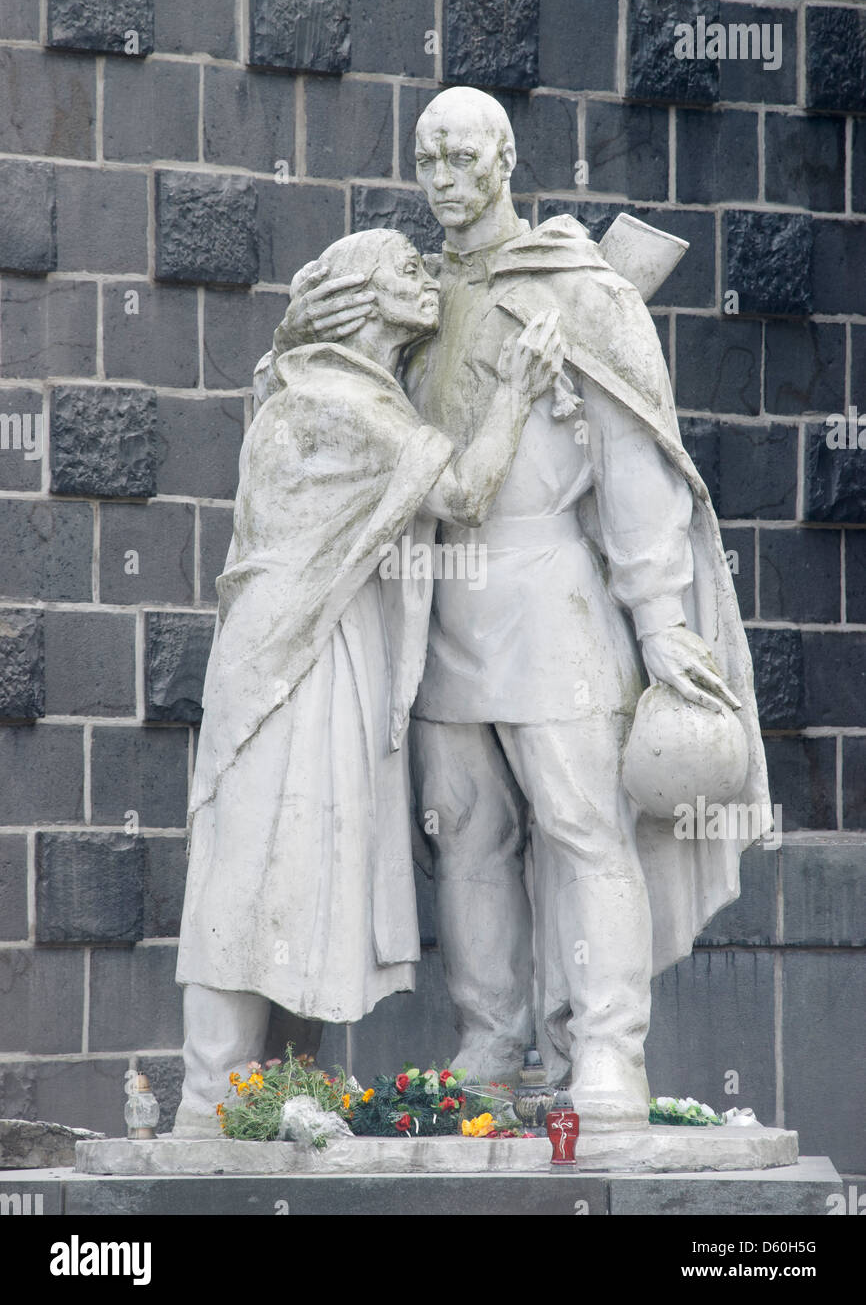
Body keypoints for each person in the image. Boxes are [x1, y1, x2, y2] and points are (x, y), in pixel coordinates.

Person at [273, 88, 771, 1129]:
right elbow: (316, 403)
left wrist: (659, 617)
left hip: (550, 589)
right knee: (464, 830)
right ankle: (489, 1047)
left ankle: (603, 1050)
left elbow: (636, 467)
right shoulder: (403, 290)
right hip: (438, 593)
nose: (443, 181)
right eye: (426, 161)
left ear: (504, 160)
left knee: (583, 822)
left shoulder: (575, 288)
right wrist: (298, 321)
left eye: (461, 158)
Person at [172, 227, 562, 1136]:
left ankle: (263, 1101)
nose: (425, 275)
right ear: (357, 298)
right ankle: (207, 1105)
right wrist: (514, 387)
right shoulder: (343, 402)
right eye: (404, 267)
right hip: (295, 667)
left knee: (307, 874)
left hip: (320, 654)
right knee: (260, 866)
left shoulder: (322, 386)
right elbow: (463, 491)